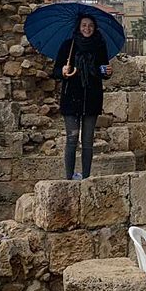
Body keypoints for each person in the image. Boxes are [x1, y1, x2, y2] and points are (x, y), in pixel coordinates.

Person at [53, 15, 110, 180]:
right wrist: (62, 71)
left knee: (87, 142)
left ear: (95, 27)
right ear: (78, 27)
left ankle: (86, 177)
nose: (87, 28)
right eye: (84, 25)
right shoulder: (68, 46)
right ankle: (69, 177)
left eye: (90, 25)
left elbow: (102, 69)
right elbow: (55, 71)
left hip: (92, 98)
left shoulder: (99, 46)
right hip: (71, 98)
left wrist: (107, 72)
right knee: (71, 140)